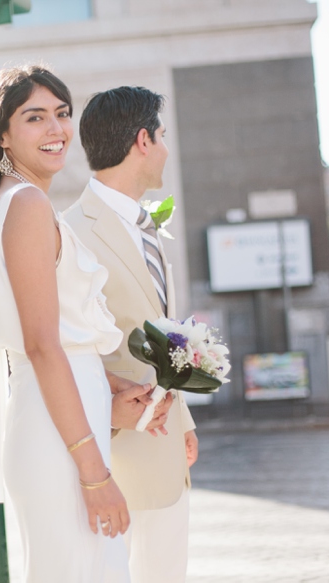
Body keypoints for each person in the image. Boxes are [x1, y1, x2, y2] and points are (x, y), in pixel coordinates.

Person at [0, 66, 143, 582]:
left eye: (62, 114)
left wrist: (111, 382)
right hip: (57, 441)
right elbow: (43, 347)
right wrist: (95, 476)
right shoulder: (25, 203)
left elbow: (58, 342)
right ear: (2, 135)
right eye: (35, 118)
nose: (56, 130)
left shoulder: (19, 200)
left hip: (59, 421)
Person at [64, 86, 200, 583]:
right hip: (114, 458)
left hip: (166, 452)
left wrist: (183, 419)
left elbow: (164, 331)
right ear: (142, 141)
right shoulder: (69, 231)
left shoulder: (148, 228)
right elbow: (59, 347)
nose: (165, 147)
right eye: (161, 136)